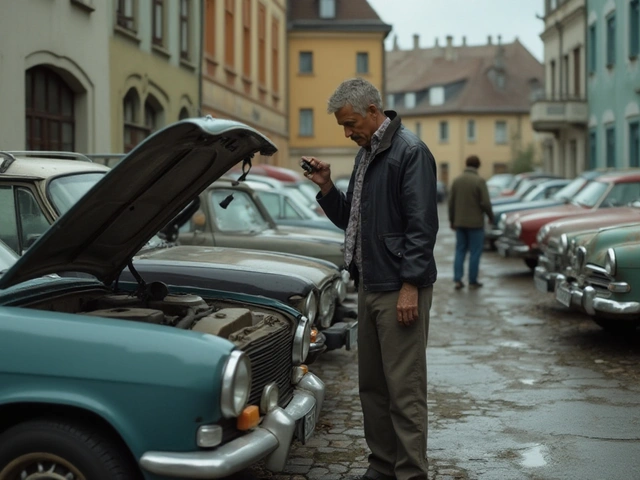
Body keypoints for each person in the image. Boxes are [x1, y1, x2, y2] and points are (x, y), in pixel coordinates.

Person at [302, 77, 438, 480]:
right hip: (370, 284)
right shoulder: (367, 153)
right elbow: (354, 222)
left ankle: (410, 472)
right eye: (343, 126)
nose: (347, 133)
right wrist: (327, 187)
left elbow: (422, 226)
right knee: (373, 389)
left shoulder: (409, 152)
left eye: (350, 123)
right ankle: (381, 467)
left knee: (405, 391)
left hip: (400, 289)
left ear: (373, 112)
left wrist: (411, 285)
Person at [448, 155, 494, 290]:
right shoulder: (479, 181)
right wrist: (490, 216)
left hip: (460, 222)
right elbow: (485, 202)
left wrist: (452, 220)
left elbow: (451, 203)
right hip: (476, 224)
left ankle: (457, 279)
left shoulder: (457, 181)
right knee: (475, 252)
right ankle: (472, 280)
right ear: (478, 166)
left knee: (460, 250)